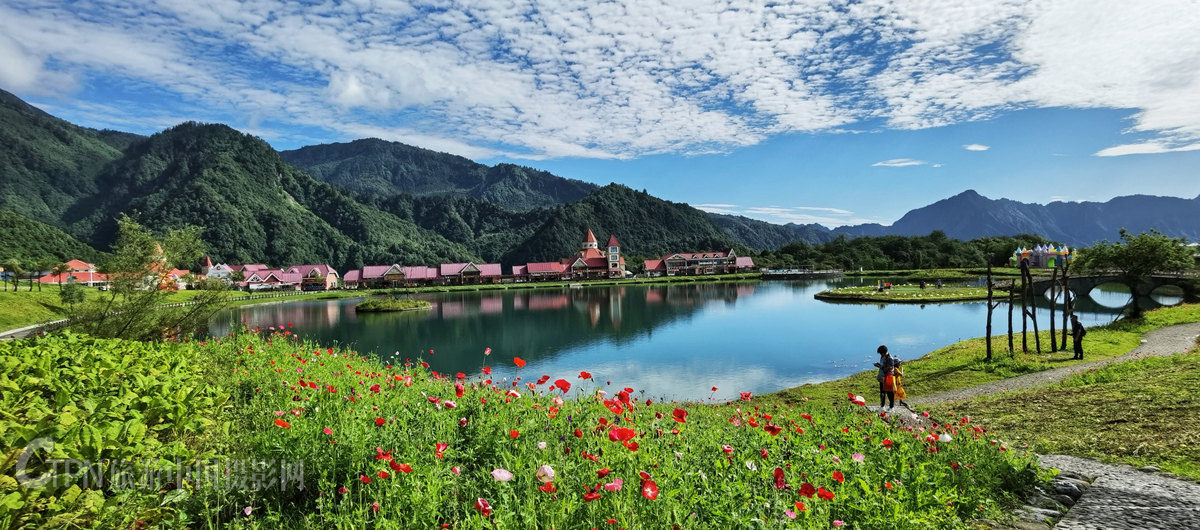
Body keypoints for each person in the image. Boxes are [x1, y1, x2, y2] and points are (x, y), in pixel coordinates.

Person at [873, 345, 895, 410]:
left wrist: (880, 366)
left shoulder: (890, 359)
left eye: (880, 353)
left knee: (889, 393)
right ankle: (882, 406)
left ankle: (891, 407)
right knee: (882, 392)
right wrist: (879, 365)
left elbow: (889, 369)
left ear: (883, 352)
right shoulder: (883, 356)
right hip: (882, 377)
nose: (880, 354)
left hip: (888, 377)